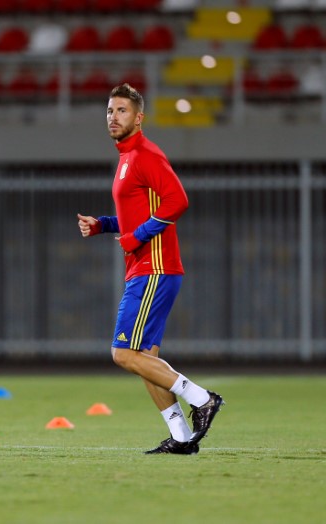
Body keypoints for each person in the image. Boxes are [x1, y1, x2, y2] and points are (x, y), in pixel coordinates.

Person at [77, 83, 224, 455]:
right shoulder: (127, 158)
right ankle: (181, 437)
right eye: (110, 111)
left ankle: (203, 399)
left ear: (139, 117)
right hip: (146, 267)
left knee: (123, 354)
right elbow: (135, 214)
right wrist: (104, 225)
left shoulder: (144, 154)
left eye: (122, 111)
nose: (113, 117)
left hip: (154, 268)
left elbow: (178, 200)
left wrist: (137, 236)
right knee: (145, 360)